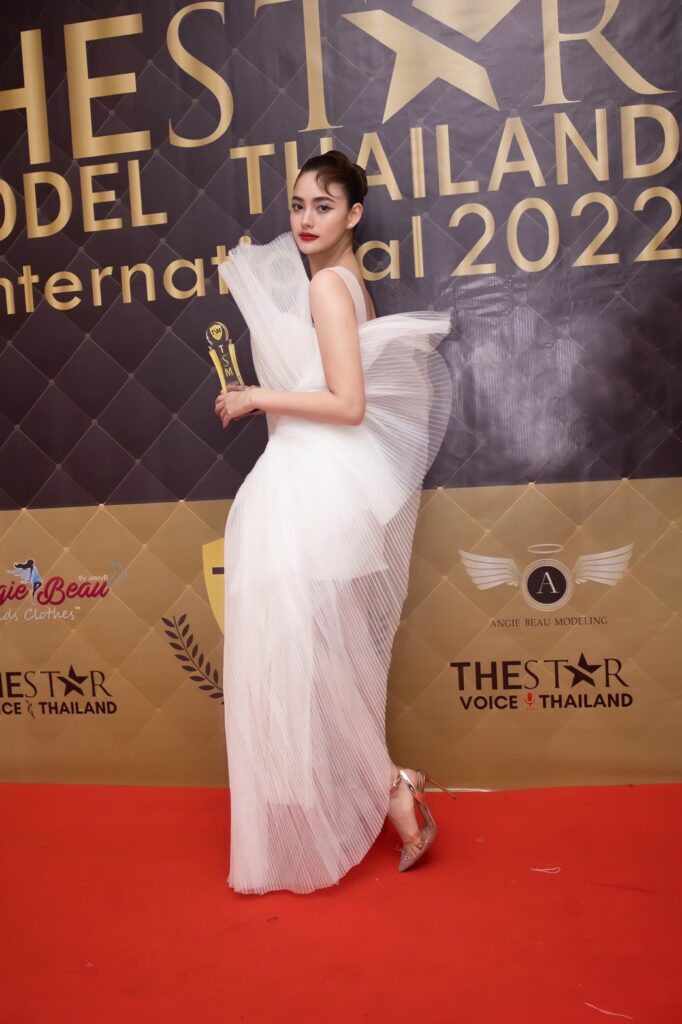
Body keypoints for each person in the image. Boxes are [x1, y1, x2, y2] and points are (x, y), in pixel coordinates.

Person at [214, 151, 453, 894]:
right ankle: (392, 784)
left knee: (312, 663)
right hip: (319, 485)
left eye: (323, 205)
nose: (306, 219)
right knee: (323, 662)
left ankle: (394, 794)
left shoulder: (327, 287)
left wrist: (257, 396)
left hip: (314, 489)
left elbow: (349, 404)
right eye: (297, 205)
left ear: (354, 214)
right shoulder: (346, 283)